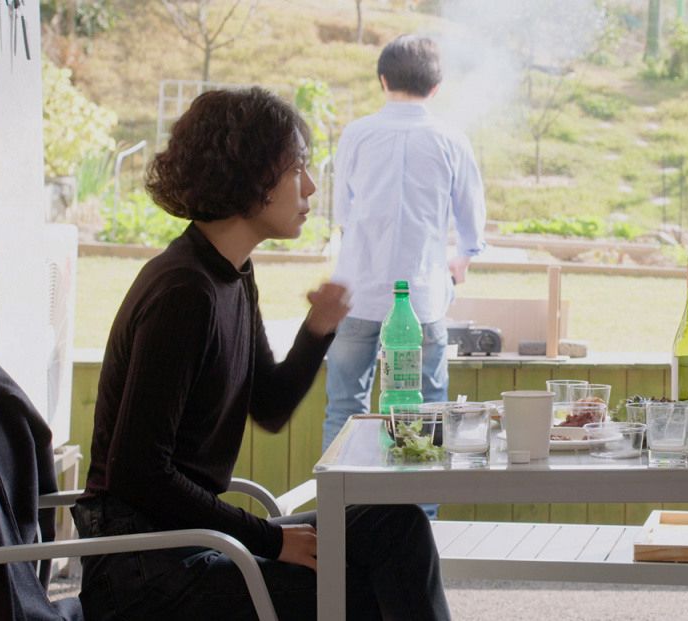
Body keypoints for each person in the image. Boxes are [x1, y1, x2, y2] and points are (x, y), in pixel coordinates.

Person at [72, 87, 451, 620]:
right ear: (248, 177)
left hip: (188, 542)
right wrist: (270, 541)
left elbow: (269, 405)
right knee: (360, 593)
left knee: (396, 523)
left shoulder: (231, 275)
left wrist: (317, 330)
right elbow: (138, 472)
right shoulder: (184, 293)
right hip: (144, 572)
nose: (311, 186)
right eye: (296, 168)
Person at [323, 34, 486, 451]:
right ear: (436, 87)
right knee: (428, 411)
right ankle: (421, 495)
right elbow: (471, 218)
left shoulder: (357, 134)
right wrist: (463, 258)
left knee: (344, 407)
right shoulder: (451, 139)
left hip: (357, 293)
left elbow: (342, 213)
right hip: (423, 297)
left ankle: (340, 492)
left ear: (383, 80)